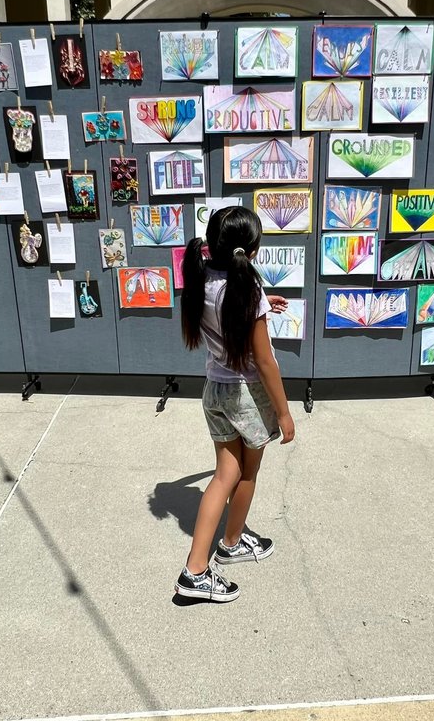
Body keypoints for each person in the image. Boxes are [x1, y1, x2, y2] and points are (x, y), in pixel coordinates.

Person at [175, 206, 295, 603]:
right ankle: (227, 545)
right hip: (247, 396)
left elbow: (228, 310)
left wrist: (261, 305)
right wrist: (284, 411)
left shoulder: (202, 276)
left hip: (215, 392)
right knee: (247, 473)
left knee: (224, 474)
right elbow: (265, 362)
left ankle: (197, 569)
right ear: (253, 250)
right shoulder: (248, 291)